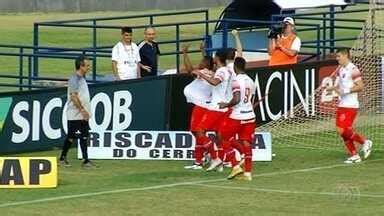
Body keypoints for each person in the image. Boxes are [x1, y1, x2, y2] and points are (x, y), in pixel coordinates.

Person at [326, 48, 372, 164]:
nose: (337, 59)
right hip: (343, 104)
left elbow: (360, 86)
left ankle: (365, 142)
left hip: (350, 105)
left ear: (346, 55)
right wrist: (332, 89)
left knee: (341, 129)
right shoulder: (341, 69)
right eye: (337, 56)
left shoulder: (353, 69)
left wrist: (345, 91)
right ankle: (354, 155)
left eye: (339, 56)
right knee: (344, 131)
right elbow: (340, 87)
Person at [191, 49, 234, 171]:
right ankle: (224, 162)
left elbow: (215, 82)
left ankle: (215, 158)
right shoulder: (227, 70)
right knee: (220, 136)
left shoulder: (221, 71)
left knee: (199, 131)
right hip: (223, 107)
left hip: (216, 107)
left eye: (214, 56)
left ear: (217, 58)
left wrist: (201, 74)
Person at [217, 57, 256, 181]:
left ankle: (235, 165)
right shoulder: (251, 81)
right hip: (250, 115)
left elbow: (237, 99)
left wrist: (226, 104)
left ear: (235, 67)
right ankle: (248, 174)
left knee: (223, 137)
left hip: (238, 115)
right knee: (246, 143)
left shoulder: (235, 81)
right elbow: (251, 99)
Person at [182, 44, 216, 170]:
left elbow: (189, 69)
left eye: (201, 61)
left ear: (205, 64)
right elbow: (208, 62)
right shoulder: (210, 72)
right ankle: (199, 161)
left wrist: (184, 54)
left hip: (201, 106)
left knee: (196, 132)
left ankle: (212, 153)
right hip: (203, 105)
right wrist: (203, 51)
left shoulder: (203, 72)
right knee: (198, 133)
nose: (199, 63)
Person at [59, 55, 96, 168]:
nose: (89, 67)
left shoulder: (82, 78)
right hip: (75, 114)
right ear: (81, 66)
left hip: (82, 113)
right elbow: (74, 97)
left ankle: (86, 160)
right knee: (71, 136)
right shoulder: (74, 79)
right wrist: (82, 110)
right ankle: (62, 158)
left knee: (85, 136)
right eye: (87, 65)